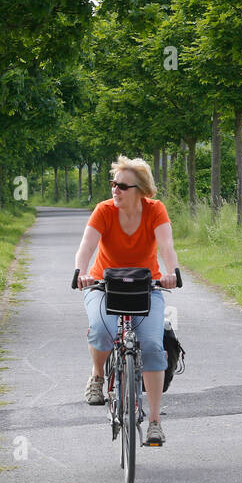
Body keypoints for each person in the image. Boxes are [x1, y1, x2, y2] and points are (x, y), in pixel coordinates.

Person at [73, 157, 180, 446]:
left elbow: (166, 245)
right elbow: (87, 246)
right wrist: (81, 272)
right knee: (101, 330)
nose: (115, 190)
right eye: (113, 184)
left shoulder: (155, 210)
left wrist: (171, 272)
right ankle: (97, 375)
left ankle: (155, 421)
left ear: (140, 190)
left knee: (154, 346)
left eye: (122, 186)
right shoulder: (104, 211)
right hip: (103, 285)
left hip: (146, 287)